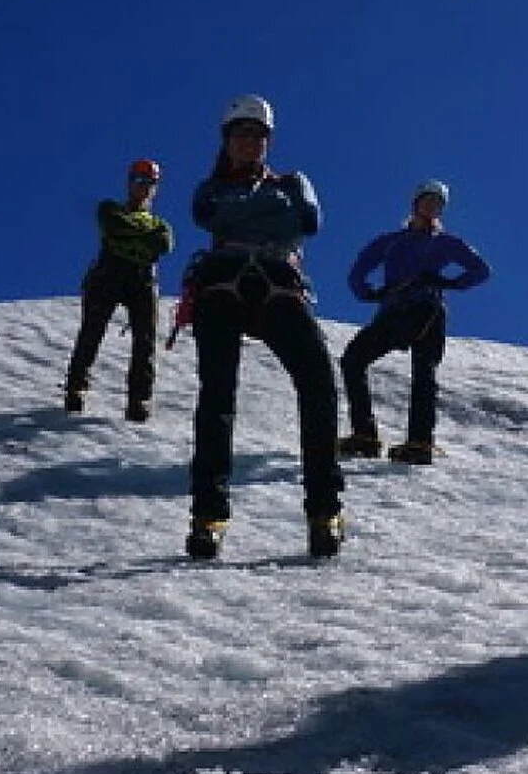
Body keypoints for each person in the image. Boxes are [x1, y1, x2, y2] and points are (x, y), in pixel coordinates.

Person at [184, 94, 344, 559]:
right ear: (228, 140)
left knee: (318, 382)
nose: (250, 142)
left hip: (273, 280)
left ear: (268, 141)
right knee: (217, 395)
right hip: (225, 283)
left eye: (257, 135)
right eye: (241, 134)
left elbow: (309, 221)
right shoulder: (214, 189)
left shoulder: (294, 183)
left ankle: (324, 511)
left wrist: (248, 214)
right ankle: (207, 517)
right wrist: (273, 213)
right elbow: (208, 216)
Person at [338, 178, 490, 464]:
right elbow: (357, 272)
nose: (432, 206)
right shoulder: (392, 242)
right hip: (399, 310)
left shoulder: (445, 242)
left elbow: (481, 270)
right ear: (416, 204)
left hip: (426, 308)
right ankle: (368, 436)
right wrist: (369, 293)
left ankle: (416, 442)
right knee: (354, 360)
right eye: (428, 200)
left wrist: (450, 283)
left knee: (422, 372)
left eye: (437, 203)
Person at [64, 158, 173, 420]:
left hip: (142, 280)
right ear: (129, 183)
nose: (143, 187)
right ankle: (76, 388)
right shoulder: (110, 209)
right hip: (109, 273)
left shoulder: (160, 225)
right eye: (139, 181)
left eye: (149, 183)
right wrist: (141, 237)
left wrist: (129, 234)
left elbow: (164, 244)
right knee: (92, 330)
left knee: (145, 341)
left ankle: (139, 399)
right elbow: (116, 226)